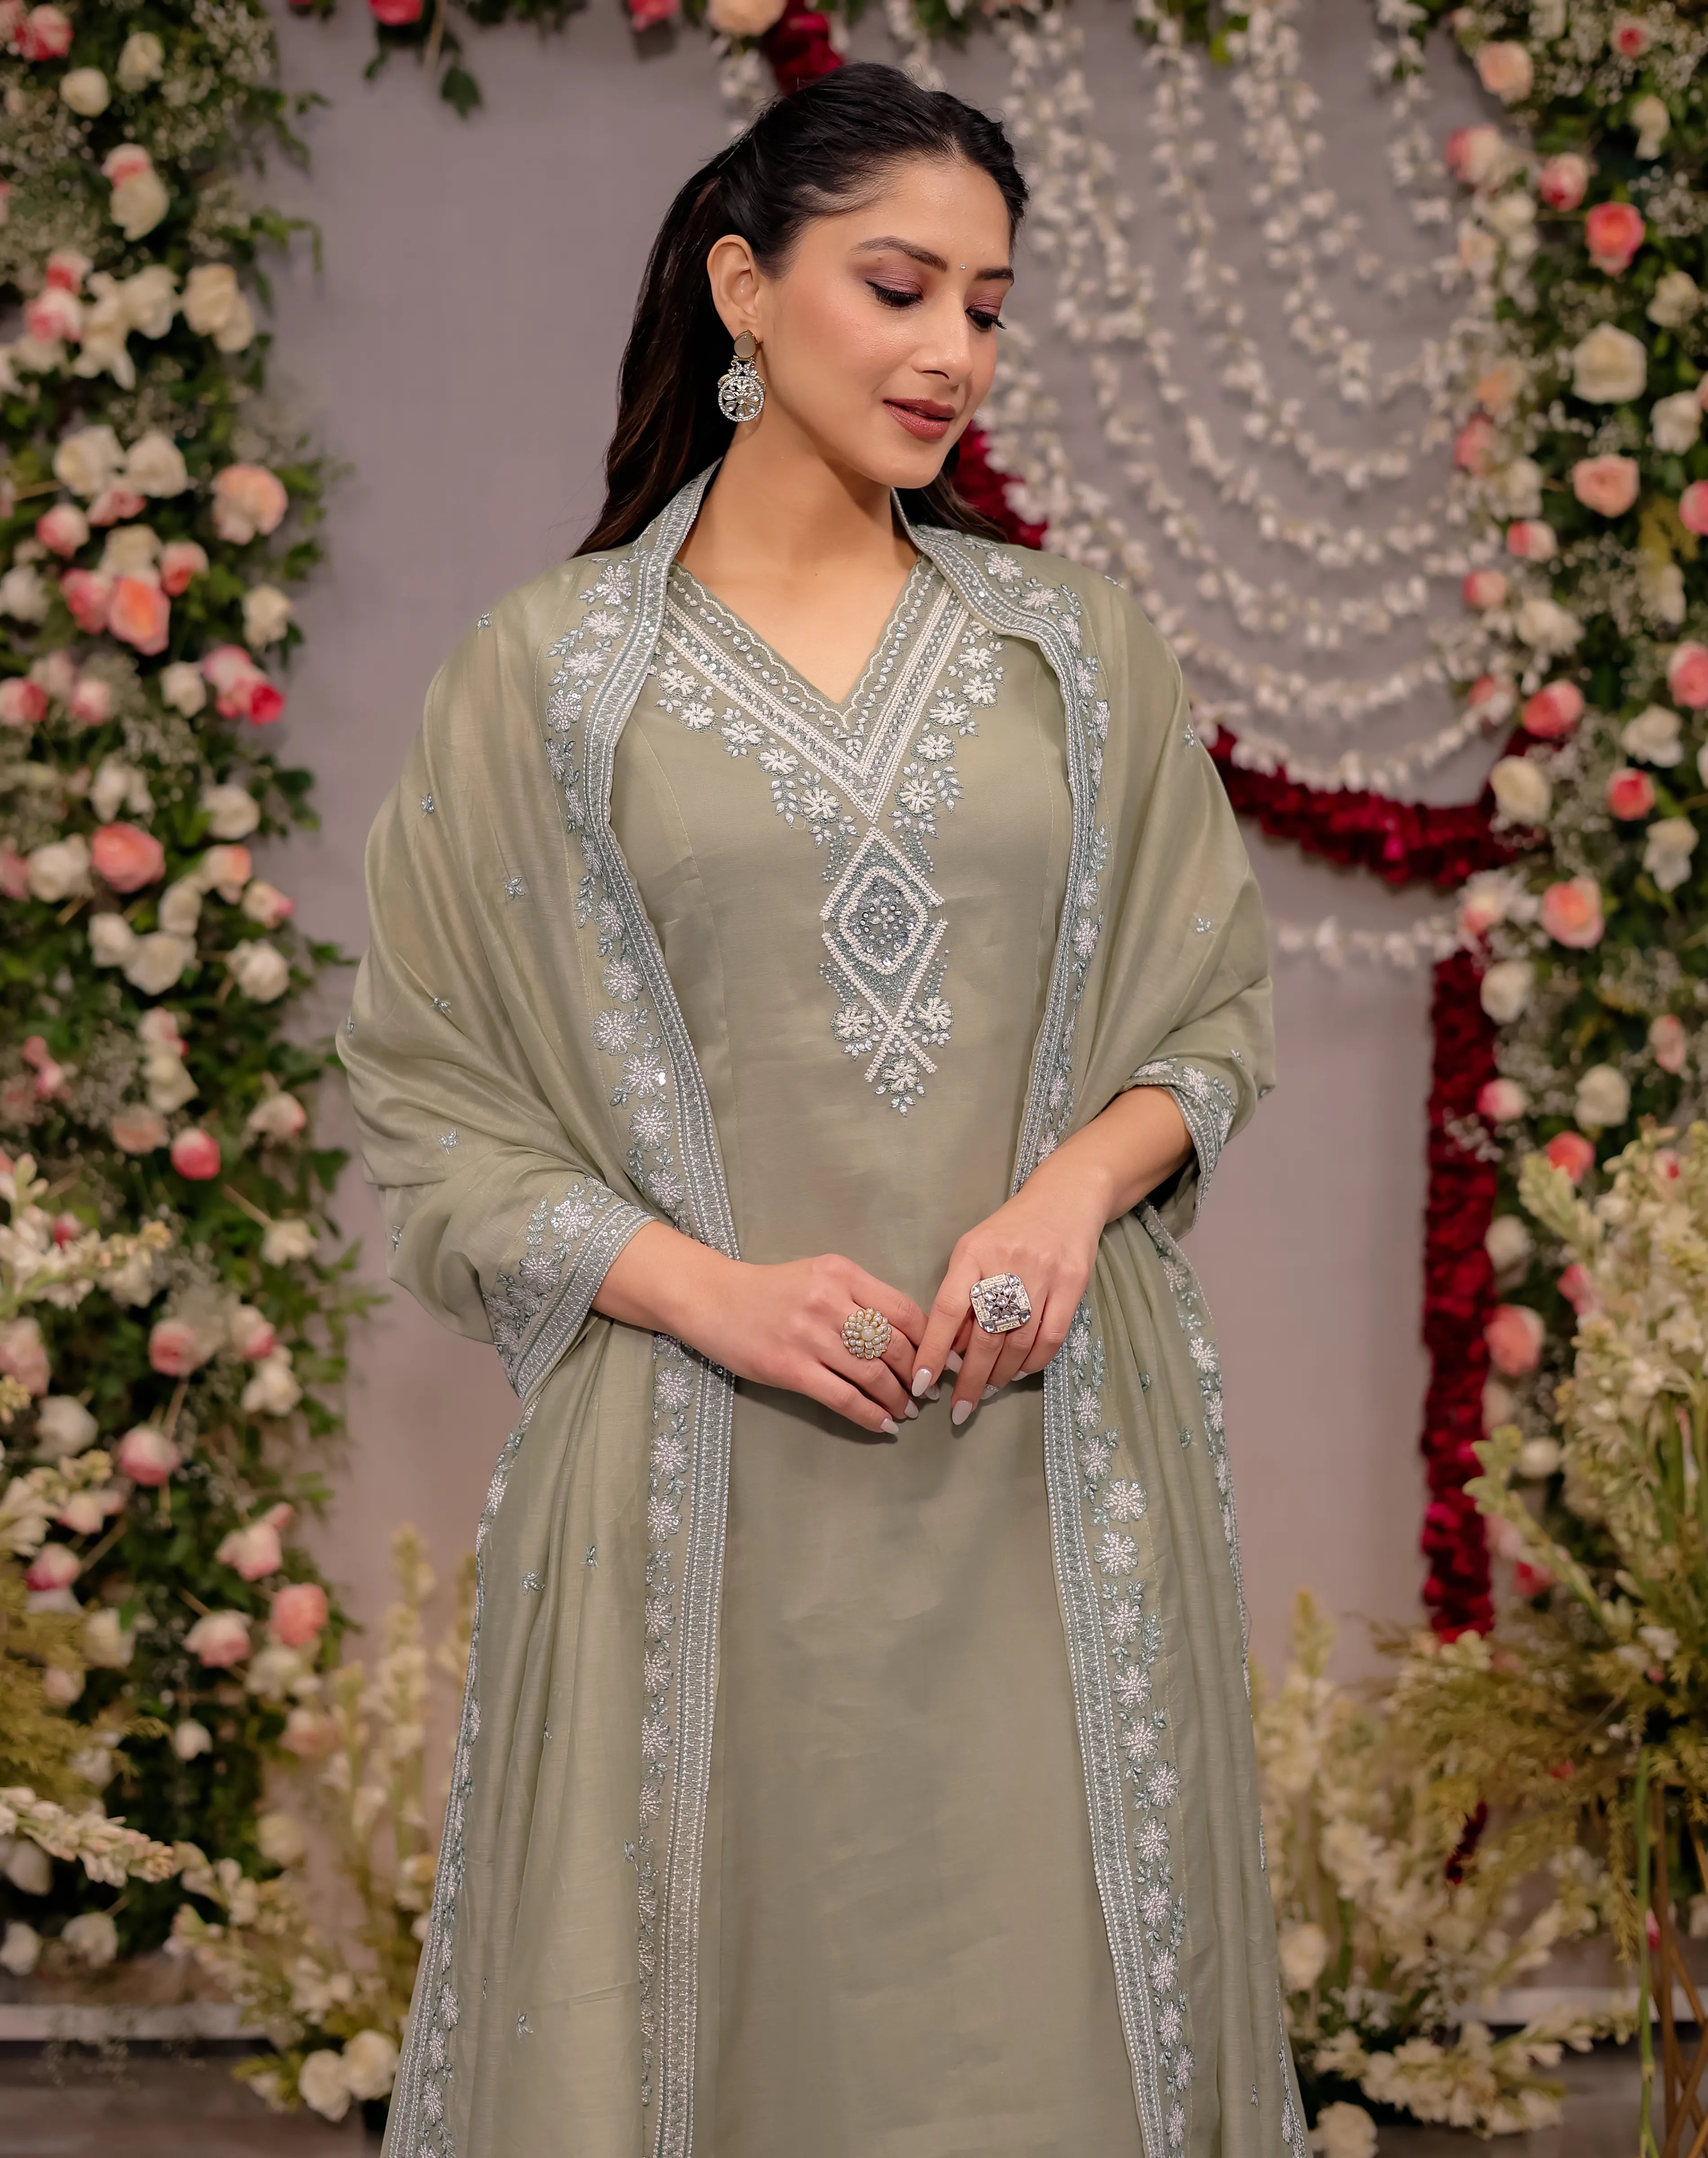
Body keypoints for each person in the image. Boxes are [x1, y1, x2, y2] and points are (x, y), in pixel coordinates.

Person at [344, 59, 1301, 2158]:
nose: (952, 350)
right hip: (701, 1480)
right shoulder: (553, 676)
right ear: (744, 289)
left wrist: (1066, 1200)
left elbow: (1207, 1015)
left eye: (987, 304)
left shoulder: (1075, 650)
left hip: (1047, 1473)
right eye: (897, 287)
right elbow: (435, 1102)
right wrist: (705, 1292)